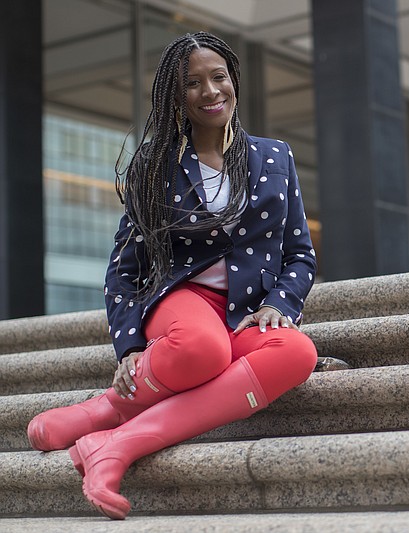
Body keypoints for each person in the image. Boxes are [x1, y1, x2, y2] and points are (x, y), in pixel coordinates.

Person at [26, 32, 318, 520]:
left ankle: (111, 438)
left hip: (244, 316)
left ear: (235, 82)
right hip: (183, 303)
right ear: (174, 96)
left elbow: (300, 254)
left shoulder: (275, 157)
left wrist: (279, 305)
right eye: (193, 83)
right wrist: (131, 348)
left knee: (297, 352)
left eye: (218, 77)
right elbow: (123, 270)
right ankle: (105, 417)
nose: (210, 91)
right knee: (204, 348)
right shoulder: (156, 166)